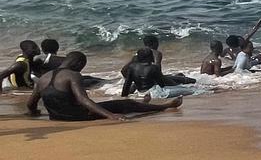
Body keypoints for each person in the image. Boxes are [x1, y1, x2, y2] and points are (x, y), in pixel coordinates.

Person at [27, 52, 182, 122]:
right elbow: (83, 100)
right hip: (76, 116)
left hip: (56, 117)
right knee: (124, 105)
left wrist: (34, 112)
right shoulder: (73, 75)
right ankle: (165, 106)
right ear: (79, 64)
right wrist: (110, 115)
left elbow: (31, 103)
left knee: (124, 106)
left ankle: (142, 105)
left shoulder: (43, 78)